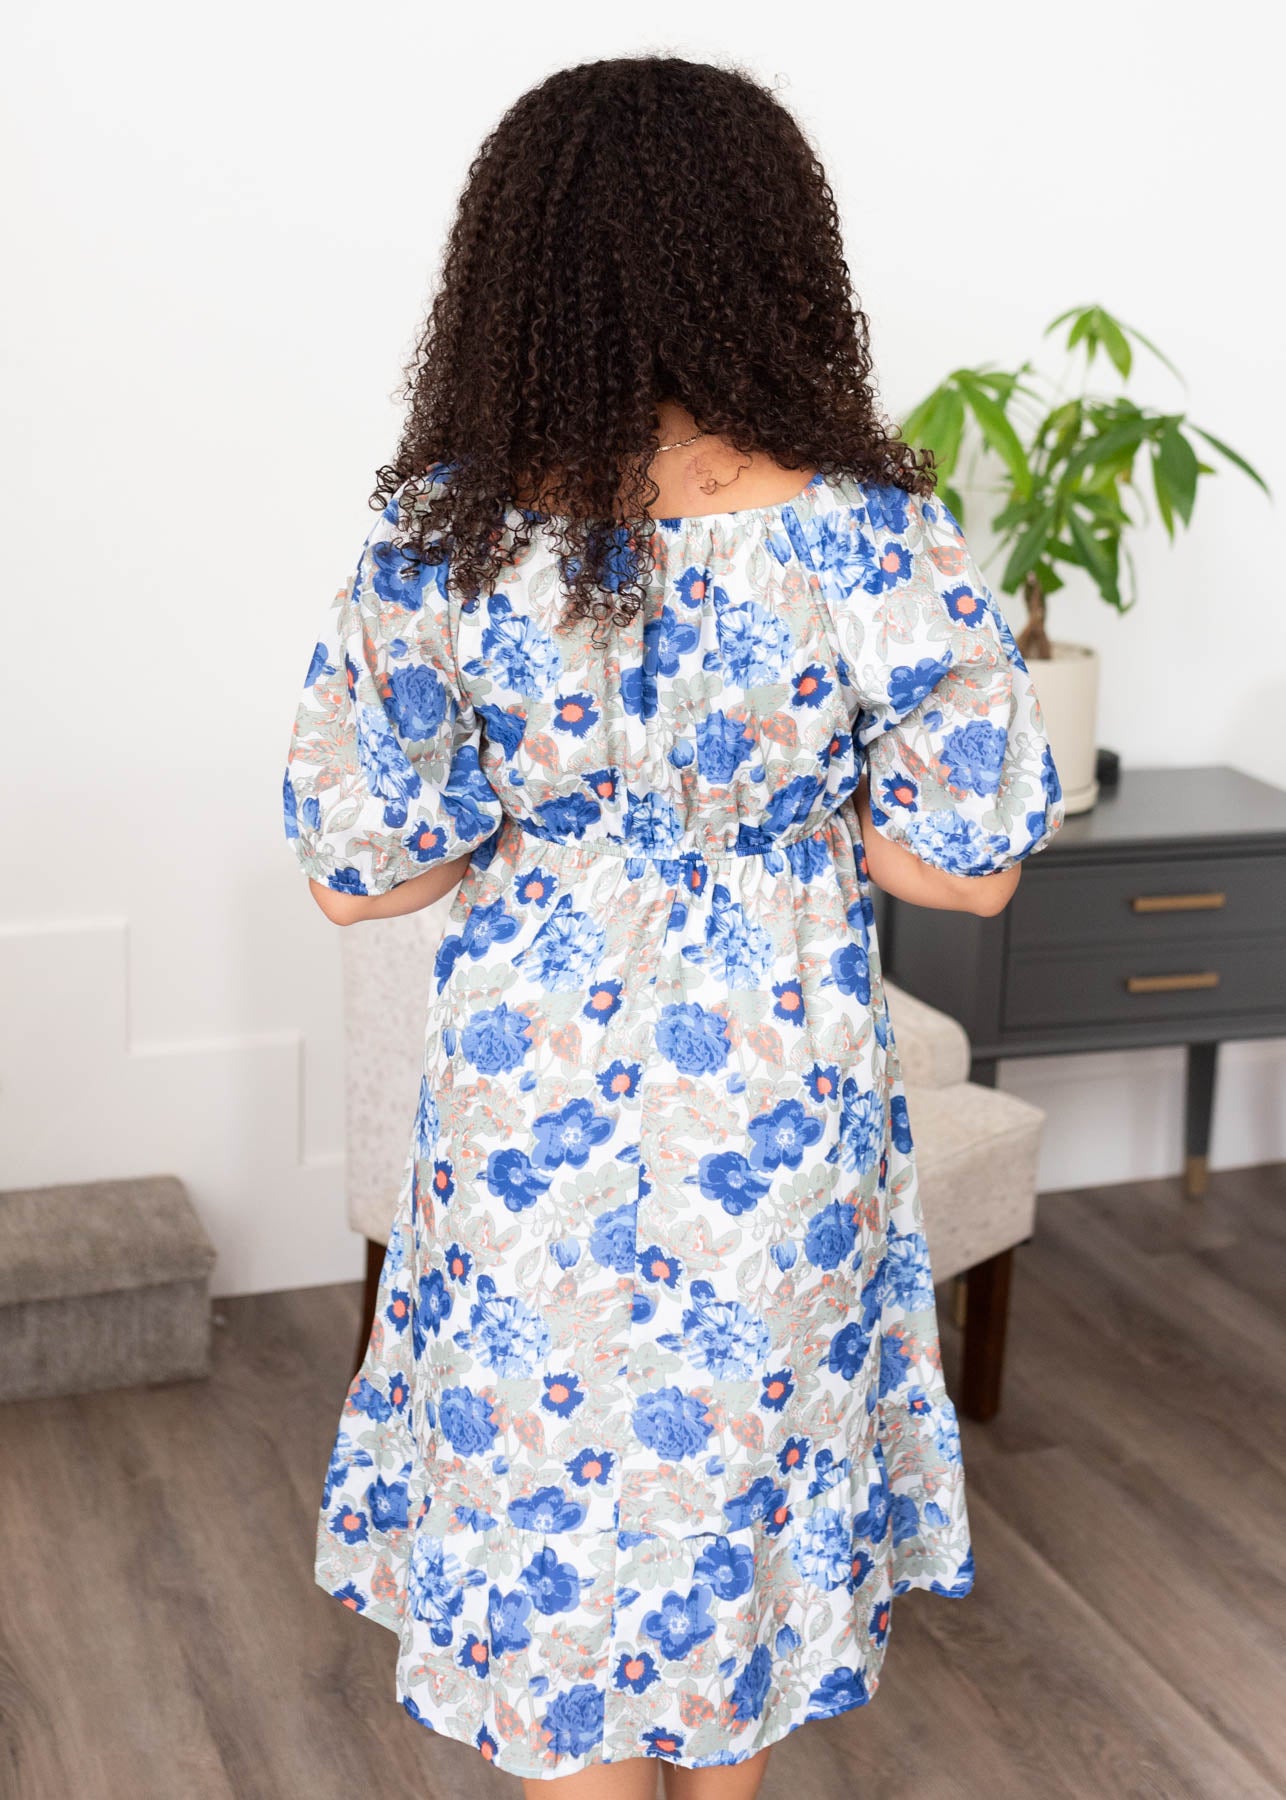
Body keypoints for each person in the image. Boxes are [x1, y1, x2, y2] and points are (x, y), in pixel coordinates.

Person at [280, 52, 1064, 1800]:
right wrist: (774, 825)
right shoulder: (869, 540)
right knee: (734, 1561)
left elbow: (359, 873)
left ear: (516, 268)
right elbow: (974, 865)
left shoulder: (442, 543)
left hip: (525, 1135)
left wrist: (549, 814)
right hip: (773, 1122)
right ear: (770, 256)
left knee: (553, 1578)